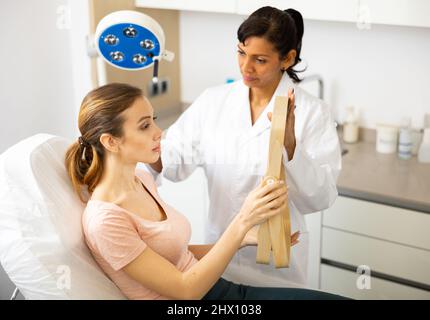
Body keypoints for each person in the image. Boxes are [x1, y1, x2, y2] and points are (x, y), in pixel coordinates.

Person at [65, 83, 345, 300]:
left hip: (220, 291)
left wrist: (244, 239)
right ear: (111, 142)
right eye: (145, 125)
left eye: (154, 120)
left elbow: (172, 253)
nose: (159, 132)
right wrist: (242, 221)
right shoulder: (105, 221)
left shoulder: (141, 180)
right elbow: (186, 291)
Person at [147, 6, 342, 288]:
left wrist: (291, 149)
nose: (245, 67)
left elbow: (321, 197)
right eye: (241, 53)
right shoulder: (213, 102)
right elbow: (174, 160)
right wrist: (138, 147)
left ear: (287, 58)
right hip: (218, 258)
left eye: (260, 60)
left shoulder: (313, 112)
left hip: (278, 266)